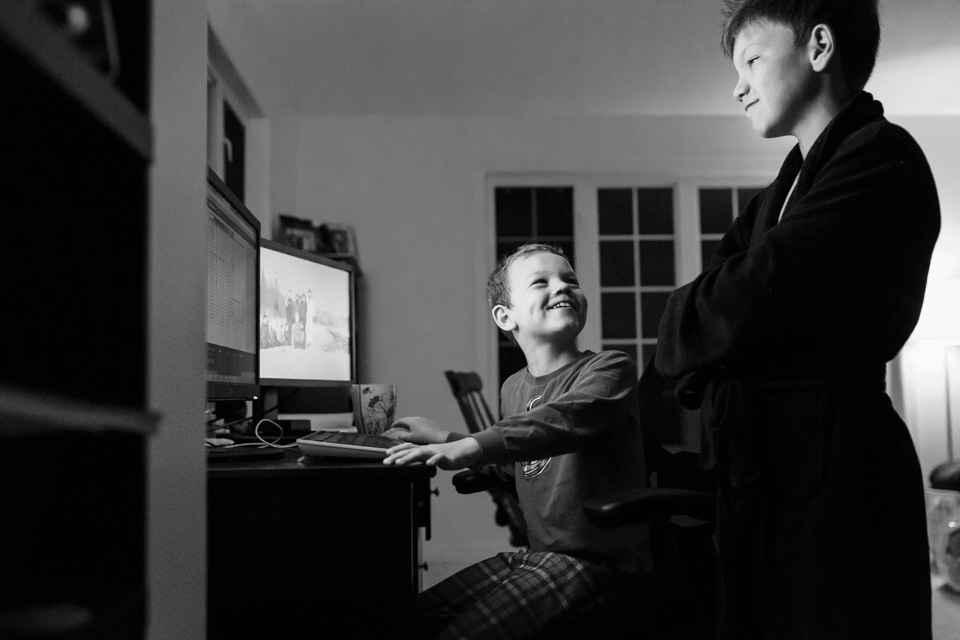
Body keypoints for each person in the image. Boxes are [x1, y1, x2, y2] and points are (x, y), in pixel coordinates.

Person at [653, 1, 941, 638]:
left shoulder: (881, 157)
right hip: (766, 466)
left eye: (752, 59)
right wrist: (707, 323)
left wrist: (707, 324)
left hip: (837, 469)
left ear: (818, 46)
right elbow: (707, 310)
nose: (737, 85)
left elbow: (743, 298)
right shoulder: (778, 194)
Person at [383, 243, 650, 639]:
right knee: (407, 620)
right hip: (540, 556)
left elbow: (562, 421)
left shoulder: (610, 368)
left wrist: (470, 444)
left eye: (570, 280)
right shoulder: (514, 388)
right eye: (541, 281)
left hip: (601, 564)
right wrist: (443, 437)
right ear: (505, 317)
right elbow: (517, 462)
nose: (562, 287)